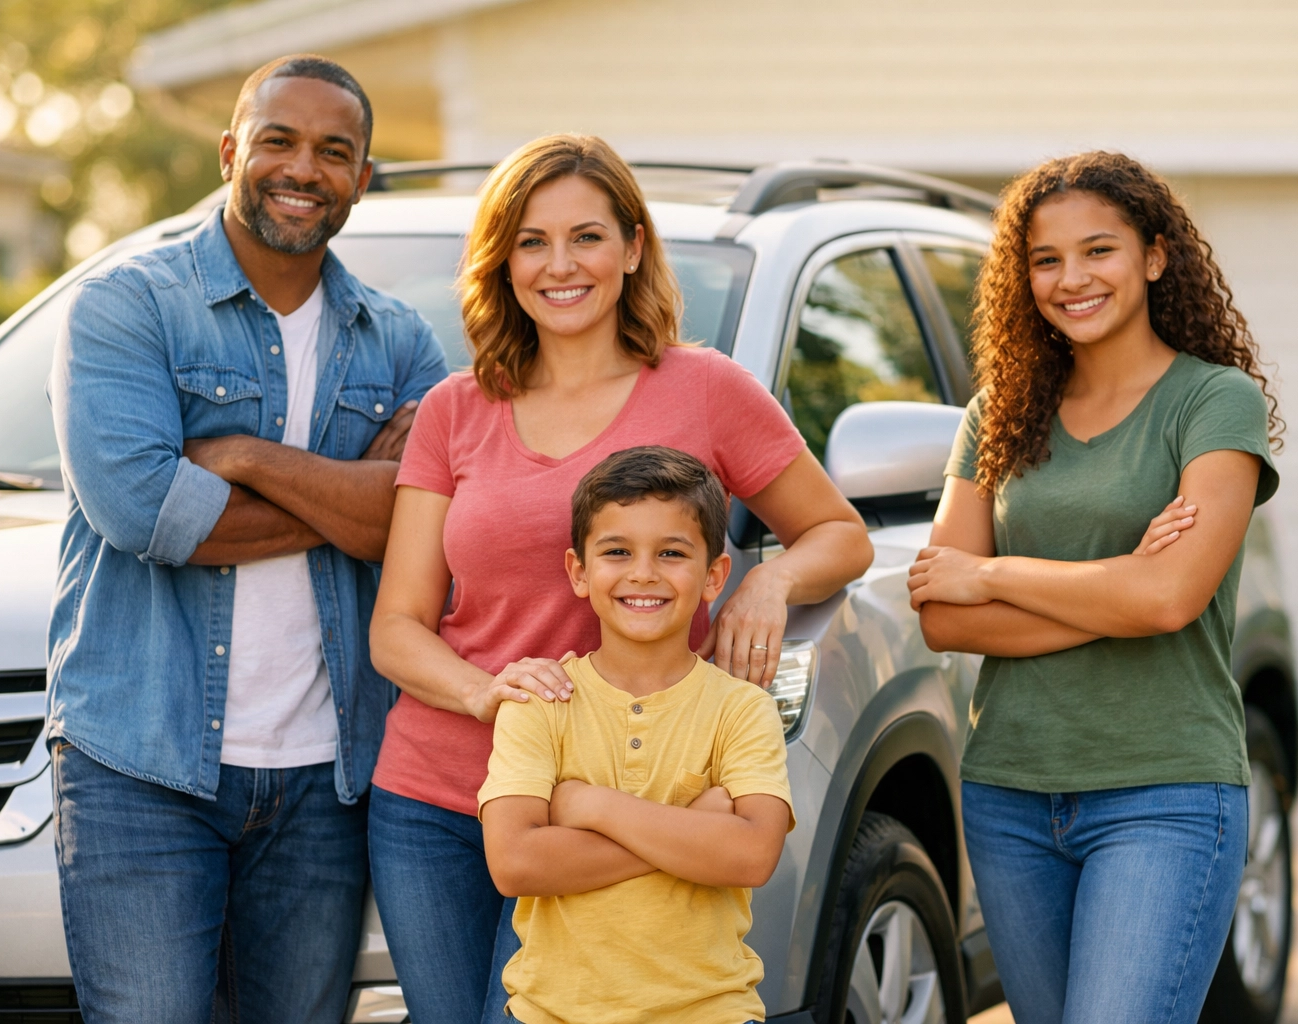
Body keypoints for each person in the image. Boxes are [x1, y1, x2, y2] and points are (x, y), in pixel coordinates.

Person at [368, 133, 873, 1023]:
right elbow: (398, 626)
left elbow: (839, 532)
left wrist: (768, 581)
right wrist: (490, 695)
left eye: (587, 237)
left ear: (633, 247)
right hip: (439, 799)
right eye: (531, 241)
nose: (560, 266)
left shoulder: (705, 389)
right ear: (503, 262)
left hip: (624, 794)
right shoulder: (455, 408)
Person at [47, 55, 446, 1023]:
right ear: (231, 150)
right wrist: (352, 497)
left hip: (327, 780)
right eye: (278, 140)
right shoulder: (126, 307)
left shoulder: (399, 342)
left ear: (360, 174)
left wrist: (244, 458)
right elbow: (147, 513)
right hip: (142, 762)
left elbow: (418, 529)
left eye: (333, 151)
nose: (302, 168)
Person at [907, 151, 1281, 1024]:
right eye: (1046, 259)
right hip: (1010, 793)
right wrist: (1115, 588)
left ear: (1155, 256)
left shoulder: (1214, 403)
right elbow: (942, 616)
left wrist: (994, 571)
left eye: (1099, 251)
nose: (1071, 279)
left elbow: (1167, 602)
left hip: (1167, 793)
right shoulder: (1000, 411)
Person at [478, 445, 793, 1024]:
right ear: (579, 571)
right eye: (617, 551)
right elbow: (516, 862)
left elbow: (751, 854)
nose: (643, 573)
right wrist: (695, 830)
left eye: (672, 553)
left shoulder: (741, 710)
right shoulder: (539, 703)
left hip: (710, 1012)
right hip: (554, 1014)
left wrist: (589, 804)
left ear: (713, 576)